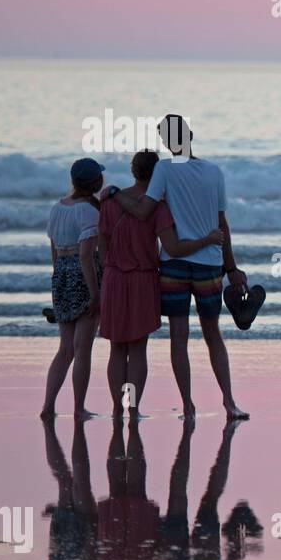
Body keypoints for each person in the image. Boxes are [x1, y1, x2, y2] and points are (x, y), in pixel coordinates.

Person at [107, 115, 248, 419]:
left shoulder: (164, 169)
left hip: (175, 266)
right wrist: (232, 268)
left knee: (179, 338)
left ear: (166, 143)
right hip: (210, 264)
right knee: (213, 335)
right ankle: (229, 402)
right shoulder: (214, 171)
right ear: (191, 135)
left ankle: (188, 405)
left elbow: (145, 210)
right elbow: (222, 222)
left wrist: (116, 194)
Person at [98, 150, 224, 419]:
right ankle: (133, 409)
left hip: (114, 278)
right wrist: (208, 239)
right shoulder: (159, 207)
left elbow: (102, 244)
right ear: (156, 174)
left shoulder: (109, 203)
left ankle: (116, 408)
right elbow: (173, 248)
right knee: (138, 348)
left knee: (117, 348)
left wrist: (106, 275)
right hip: (143, 278)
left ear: (133, 171)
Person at [41, 158, 104, 419]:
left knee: (65, 348)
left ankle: (48, 406)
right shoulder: (88, 211)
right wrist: (95, 293)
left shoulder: (58, 208)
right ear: (96, 182)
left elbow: (55, 251)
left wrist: (58, 280)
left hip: (62, 275)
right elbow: (86, 256)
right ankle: (79, 408)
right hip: (82, 275)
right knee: (82, 348)